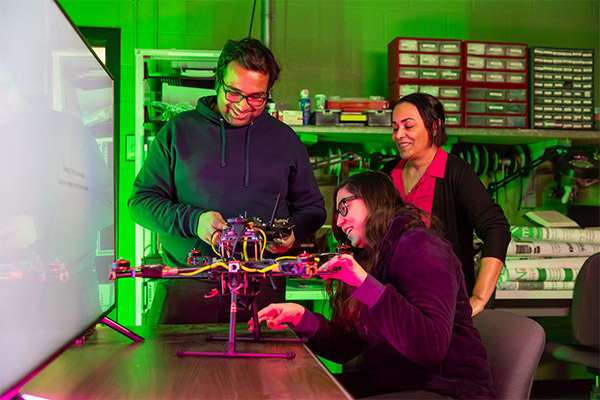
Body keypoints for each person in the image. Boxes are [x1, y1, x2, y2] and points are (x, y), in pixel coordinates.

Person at [128, 37, 327, 324]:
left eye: (257, 97)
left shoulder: (285, 140)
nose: (243, 106)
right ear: (217, 80)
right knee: (173, 368)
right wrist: (194, 221)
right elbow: (140, 203)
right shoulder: (178, 132)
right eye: (233, 93)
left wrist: (293, 231)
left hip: (261, 289)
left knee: (268, 368)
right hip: (187, 285)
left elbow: (313, 208)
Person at [250, 171, 495, 399]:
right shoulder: (374, 257)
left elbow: (429, 348)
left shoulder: (422, 246)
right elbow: (346, 346)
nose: (339, 221)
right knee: (298, 389)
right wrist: (302, 317)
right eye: (337, 213)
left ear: (374, 199)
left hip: (446, 390)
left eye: (344, 207)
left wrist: (363, 283)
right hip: (392, 382)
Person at [380, 93, 510, 316]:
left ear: (434, 126)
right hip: (391, 301)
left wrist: (478, 298)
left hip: (441, 306)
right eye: (395, 128)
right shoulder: (387, 174)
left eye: (408, 126)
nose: (399, 135)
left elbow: (496, 228)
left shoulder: (456, 173)